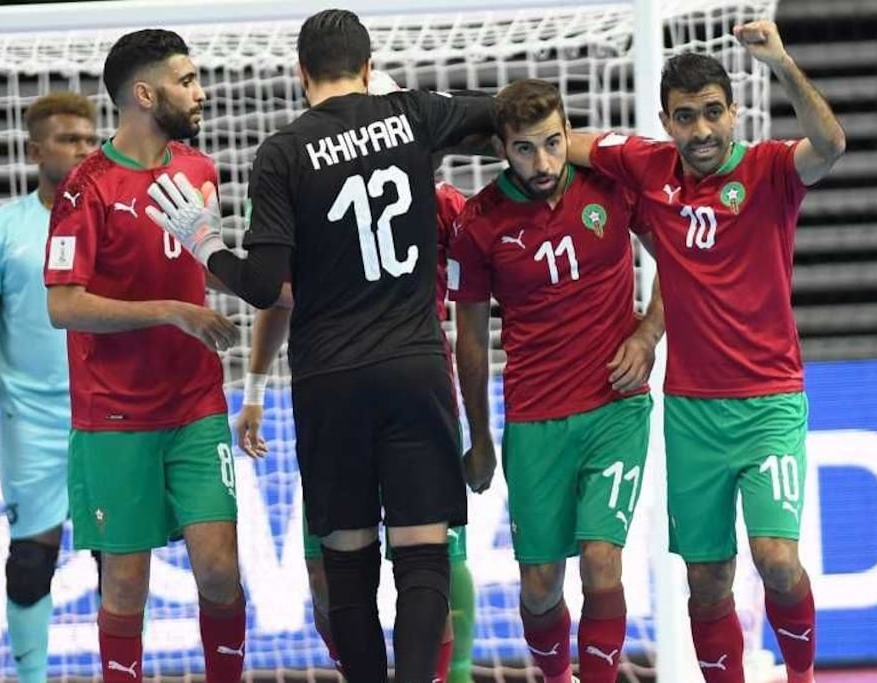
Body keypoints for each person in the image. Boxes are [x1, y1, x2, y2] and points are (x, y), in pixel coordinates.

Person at [144, 10, 495, 681]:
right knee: (426, 556)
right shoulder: (412, 117)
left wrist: (206, 244)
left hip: (331, 380)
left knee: (346, 564)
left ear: (300, 73)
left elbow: (265, 284)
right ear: (368, 67)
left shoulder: (282, 152)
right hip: (417, 366)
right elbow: (509, 112)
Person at [567, 21, 845, 683]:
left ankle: (802, 676)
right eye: (685, 117)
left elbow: (832, 143)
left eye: (713, 113)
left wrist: (780, 57)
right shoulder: (646, 164)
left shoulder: (769, 170)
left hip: (770, 401)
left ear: (735, 112)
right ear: (666, 120)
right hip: (691, 411)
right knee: (707, 580)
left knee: (777, 557)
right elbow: (563, 145)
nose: (700, 131)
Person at [43, 29, 245, 683]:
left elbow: (206, 264)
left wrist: (272, 284)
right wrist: (172, 310)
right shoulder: (86, 188)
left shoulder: (200, 171)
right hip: (115, 418)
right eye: (187, 80)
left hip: (195, 405)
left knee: (219, 570)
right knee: (125, 587)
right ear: (144, 92)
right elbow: (64, 305)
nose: (201, 91)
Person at [448, 78, 662, 683]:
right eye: (524, 148)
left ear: (569, 133)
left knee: (601, 562)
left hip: (615, 408)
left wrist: (647, 335)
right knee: (540, 587)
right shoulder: (477, 223)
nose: (542, 163)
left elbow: (676, 258)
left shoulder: (609, 184)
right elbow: (468, 339)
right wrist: (481, 436)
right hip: (534, 419)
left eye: (552, 142)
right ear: (500, 148)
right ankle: (556, 675)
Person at [235, 169, 478, 683]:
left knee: (434, 559)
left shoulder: (443, 204)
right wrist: (254, 390)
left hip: (418, 397)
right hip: (335, 400)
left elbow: (493, 265)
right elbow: (278, 294)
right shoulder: (313, 200)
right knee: (327, 573)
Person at [0, 91, 99, 683]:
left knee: (122, 558)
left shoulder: (117, 215)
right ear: (36, 150)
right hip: (30, 417)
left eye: (90, 138)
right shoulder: (1, 227)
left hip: (110, 411)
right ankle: (31, 676)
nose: (84, 149)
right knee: (32, 561)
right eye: (69, 140)